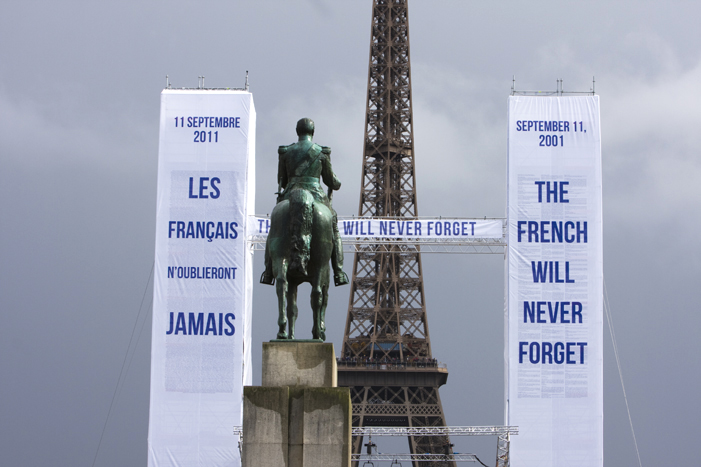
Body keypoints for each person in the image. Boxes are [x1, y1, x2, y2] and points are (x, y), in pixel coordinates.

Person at [260, 118, 349, 286]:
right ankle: (338, 272)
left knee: (274, 230)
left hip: (290, 194)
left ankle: (269, 272)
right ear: (312, 132)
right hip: (316, 195)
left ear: (297, 131)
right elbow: (331, 181)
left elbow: (282, 180)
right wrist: (336, 182)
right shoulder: (321, 152)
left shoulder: (286, 152)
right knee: (334, 228)